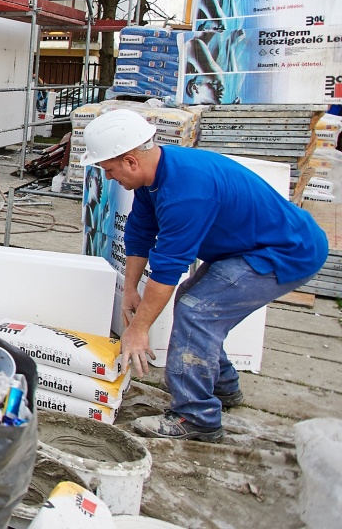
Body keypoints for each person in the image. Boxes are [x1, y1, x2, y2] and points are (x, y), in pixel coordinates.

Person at [81, 109, 327, 442]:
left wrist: (139, 329)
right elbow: (140, 232)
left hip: (286, 252)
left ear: (130, 161)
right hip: (250, 246)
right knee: (194, 304)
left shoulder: (187, 192)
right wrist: (129, 291)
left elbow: (168, 266)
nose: (109, 178)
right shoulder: (156, 175)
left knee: (198, 311)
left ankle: (195, 416)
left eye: (109, 170)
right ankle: (222, 387)